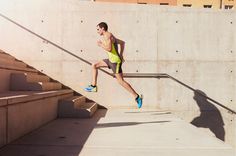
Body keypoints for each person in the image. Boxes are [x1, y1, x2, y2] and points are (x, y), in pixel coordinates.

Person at [84, 22, 142, 108]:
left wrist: (101, 45)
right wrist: (121, 55)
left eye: (98, 29)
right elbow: (122, 42)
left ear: (103, 28)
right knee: (94, 65)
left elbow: (109, 48)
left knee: (120, 81)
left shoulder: (108, 35)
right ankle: (93, 86)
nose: (97, 31)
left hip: (115, 62)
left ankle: (137, 96)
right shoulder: (109, 36)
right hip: (110, 60)